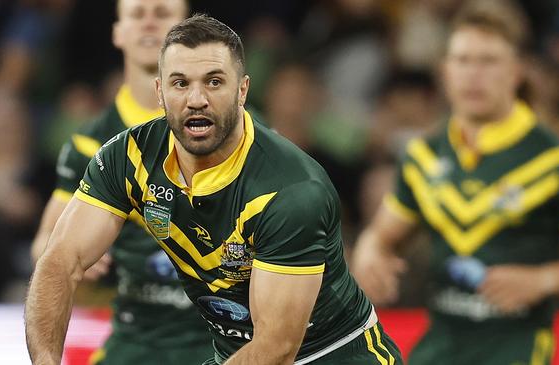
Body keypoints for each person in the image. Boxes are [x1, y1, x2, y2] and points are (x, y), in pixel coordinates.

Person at [25, 14, 402, 365]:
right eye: (180, 83)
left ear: (243, 91)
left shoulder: (291, 189)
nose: (196, 99)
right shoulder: (128, 157)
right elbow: (59, 261)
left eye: (214, 81)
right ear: (160, 92)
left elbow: (277, 346)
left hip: (335, 355)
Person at [351, 1, 559, 364]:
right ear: (444, 71)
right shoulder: (424, 156)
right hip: (440, 344)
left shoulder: (556, 160)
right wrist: (370, 250)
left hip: (517, 346)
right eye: (463, 61)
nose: (473, 74)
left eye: (488, 61)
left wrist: (542, 280)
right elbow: (383, 234)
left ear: (516, 72)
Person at [29, 1, 213, 364]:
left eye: (161, 14)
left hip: (224, 340)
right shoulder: (90, 143)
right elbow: (45, 250)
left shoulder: (242, 131)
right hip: (135, 340)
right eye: (137, 13)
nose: (148, 22)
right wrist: (73, 254)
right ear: (118, 32)